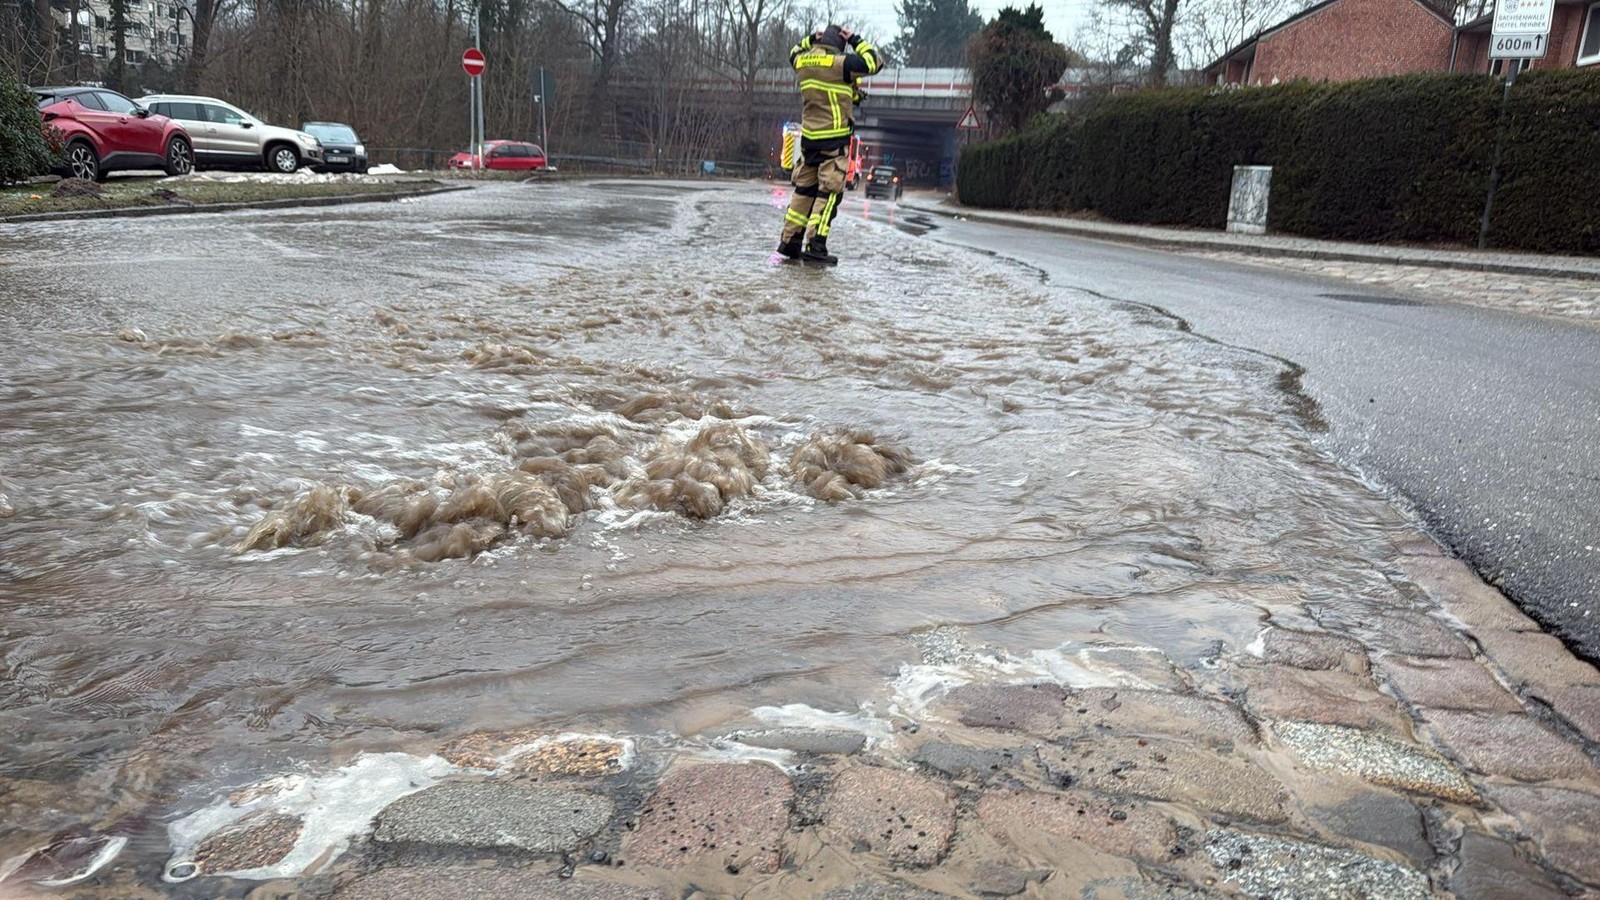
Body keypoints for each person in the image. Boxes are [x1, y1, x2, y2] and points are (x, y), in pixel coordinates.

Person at [776, 23, 882, 264]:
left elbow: (793, 51)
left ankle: (789, 241)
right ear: (839, 46)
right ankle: (816, 244)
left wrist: (810, 38)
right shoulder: (840, 64)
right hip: (834, 141)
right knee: (830, 193)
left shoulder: (802, 62)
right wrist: (855, 38)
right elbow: (874, 61)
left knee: (804, 191)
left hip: (810, 141)